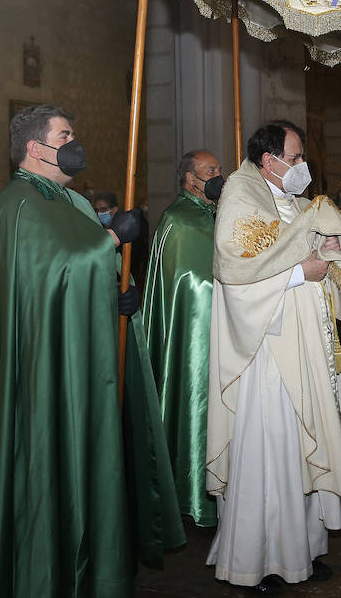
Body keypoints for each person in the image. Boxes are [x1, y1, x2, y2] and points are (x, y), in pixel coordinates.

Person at [0, 104, 183, 596]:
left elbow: (79, 275)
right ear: (36, 148)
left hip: (79, 361)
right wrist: (110, 239)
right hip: (38, 370)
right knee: (46, 466)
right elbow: (49, 276)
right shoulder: (17, 206)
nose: (75, 143)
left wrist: (119, 296)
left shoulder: (68, 200)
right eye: (66, 135)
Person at [208, 120, 341, 593]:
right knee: (273, 452)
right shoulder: (241, 199)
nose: (303, 166)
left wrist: (330, 251)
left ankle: (303, 546)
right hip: (268, 356)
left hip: (308, 348)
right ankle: (258, 561)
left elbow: (305, 248)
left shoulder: (296, 203)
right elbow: (238, 277)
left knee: (306, 447)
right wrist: (302, 272)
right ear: (269, 160)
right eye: (296, 158)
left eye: (302, 158)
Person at [134, 149, 223, 529]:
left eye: (220, 168)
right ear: (191, 179)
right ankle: (195, 494)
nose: (220, 175)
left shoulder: (220, 214)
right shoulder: (177, 220)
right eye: (211, 170)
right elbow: (185, 287)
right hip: (196, 339)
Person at [94, 190, 150, 281]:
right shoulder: (96, 227)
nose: (99, 213)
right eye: (96, 210)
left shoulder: (125, 229)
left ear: (114, 209)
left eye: (103, 209)